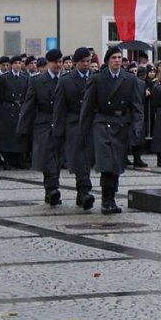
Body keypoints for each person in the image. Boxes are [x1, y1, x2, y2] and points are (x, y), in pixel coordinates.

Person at [79, 46, 144, 214]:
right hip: (102, 123)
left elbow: (137, 106)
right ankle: (106, 200)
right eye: (114, 57)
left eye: (119, 57)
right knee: (106, 163)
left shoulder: (130, 79)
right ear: (108, 60)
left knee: (117, 164)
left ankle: (112, 199)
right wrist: (83, 130)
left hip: (121, 123)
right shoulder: (98, 79)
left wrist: (137, 127)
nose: (117, 60)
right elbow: (87, 106)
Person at [17, 49, 63, 205]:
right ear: (48, 63)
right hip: (43, 122)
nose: (59, 65)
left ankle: (51, 190)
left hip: (60, 122)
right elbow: (29, 104)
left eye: (60, 61)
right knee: (47, 157)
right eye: (56, 62)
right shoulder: (37, 81)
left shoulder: (65, 79)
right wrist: (22, 127)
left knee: (57, 158)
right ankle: (52, 189)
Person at [53, 47, 95, 210]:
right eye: (83, 61)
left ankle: (83, 193)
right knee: (80, 159)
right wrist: (58, 130)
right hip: (74, 123)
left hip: (92, 123)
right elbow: (59, 107)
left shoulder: (95, 77)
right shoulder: (66, 81)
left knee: (89, 159)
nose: (86, 64)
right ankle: (84, 191)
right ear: (75, 63)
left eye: (88, 61)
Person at [0, 55, 30, 169]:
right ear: (11, 65)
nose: (18, 65)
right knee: (7, 136)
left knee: (19, 136)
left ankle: (18, 159)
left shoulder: (25, 78)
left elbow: (27, 93)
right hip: (8, 108)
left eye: (19, 63)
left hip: (20, 108)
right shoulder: (4, 78)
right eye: (15, 63)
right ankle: (7, 160)